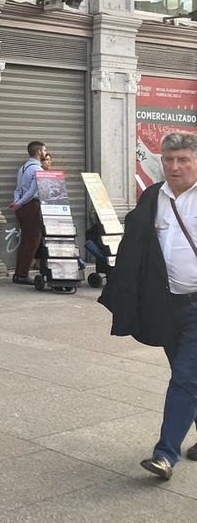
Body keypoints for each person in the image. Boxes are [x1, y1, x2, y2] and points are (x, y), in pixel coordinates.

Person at [100, 131, 197, 480]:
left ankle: (165, 454)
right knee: (186, 376)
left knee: (187, 376)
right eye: (168, 160)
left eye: (183, 159)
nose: (175, 166)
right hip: (167, 303)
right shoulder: (154, 196)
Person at [8, 141, 47, 285]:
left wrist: (17, 202)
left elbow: (18, 189)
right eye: (44, 150)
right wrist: (19, 203)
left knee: (26, 241)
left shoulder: (23, 168)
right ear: (38, 152)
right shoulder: (38, 170)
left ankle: (19, 273)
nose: (45, 152)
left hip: (23, 208)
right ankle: (22, 274)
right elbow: (32, 191)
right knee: (32, 240)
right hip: (31, 206)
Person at [31, 153, 53, 271]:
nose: (49, 162)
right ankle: (37, 261)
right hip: (40, 208)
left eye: (50, 160)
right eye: (46, 160)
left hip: (51, 208)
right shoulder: (37, 174)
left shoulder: (51, 175)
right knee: (39, 235)